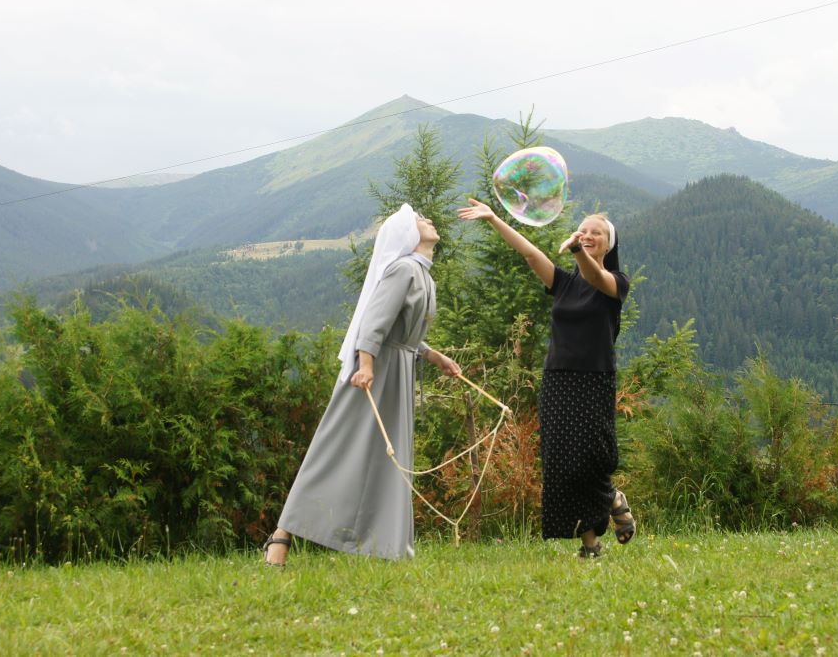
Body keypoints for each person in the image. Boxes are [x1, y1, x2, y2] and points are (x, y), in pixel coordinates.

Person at [263, 203, 461, 566]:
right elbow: (373, 322)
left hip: (396, 369)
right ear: (407, 235)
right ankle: (281, 536)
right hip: (374, 371)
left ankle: (385, 545)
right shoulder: (403, 269)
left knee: (387, 457)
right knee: (336, 449)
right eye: (420, 220)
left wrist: (437, 358)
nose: (428, 221)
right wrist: (366, 366)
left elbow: (407, 335)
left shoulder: (423, 275)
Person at [457, 198, 636, 557]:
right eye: (582, 230)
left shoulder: (616, 283)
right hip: (558, 380)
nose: (587, 235)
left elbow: (595, 276)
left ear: (608, 243)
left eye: (595, 233)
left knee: (591, 458)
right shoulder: (564, 284)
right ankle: (591, 544)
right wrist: (493, 218)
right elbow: (529, 253)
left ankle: (612, 496)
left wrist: (575, 251)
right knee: (562, 463)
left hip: (594, 380)